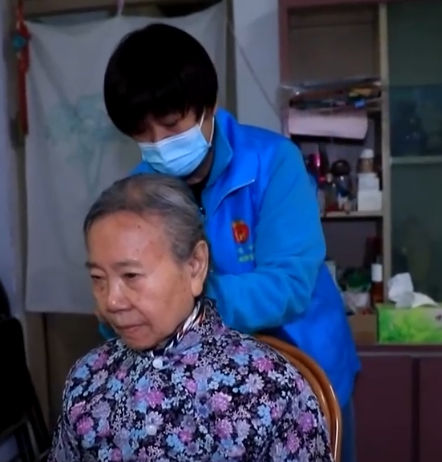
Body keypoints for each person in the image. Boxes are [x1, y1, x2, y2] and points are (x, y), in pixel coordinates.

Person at [102, 23, 360, 461]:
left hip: (305, 365)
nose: (159, 145)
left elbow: (289, 285)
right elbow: (125, 297)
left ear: (209, 105)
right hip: (203, 388)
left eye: (171, 125)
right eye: (142, 134)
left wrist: (177, 302)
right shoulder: (138, 195)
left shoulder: (273, 162)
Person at [50, 174, 333, 461]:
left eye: (131, 276)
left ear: (195, 265)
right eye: (98, 278)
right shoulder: (88, 378)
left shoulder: (270, 387)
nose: (111, 301)